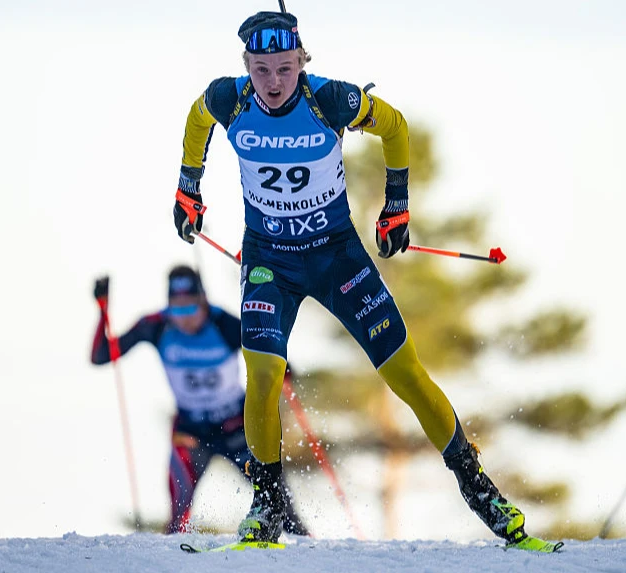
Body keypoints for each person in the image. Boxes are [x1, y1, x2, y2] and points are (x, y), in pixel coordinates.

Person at [170, 10, 559, 551]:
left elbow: (395, 126)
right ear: (246, 67)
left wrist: (396, 205)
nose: (274, 82)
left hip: (336, 257)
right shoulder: (226, 99)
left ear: (302, 62)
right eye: (262, 70)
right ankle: (266, 504)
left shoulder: (330, 100)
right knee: (261, 375)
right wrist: (188, 186)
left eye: (285, 68)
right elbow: (196, 118)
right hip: (268, 262)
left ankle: (481, 492)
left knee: (405, 373)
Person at [90, 265, 307, 535]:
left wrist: (281, 368)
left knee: (280, 505)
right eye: (176, 310)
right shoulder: (158, 326)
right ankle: (172, 558)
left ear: (203, 301)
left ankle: (309, 551)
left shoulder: (224, 324)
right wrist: (102, 311)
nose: (183, 319)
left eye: (190, 310)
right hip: (191, 431)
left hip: (238, 428)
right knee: (177, 512)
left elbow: (275, 355)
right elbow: (101, 355)